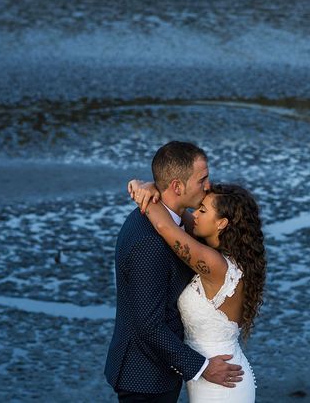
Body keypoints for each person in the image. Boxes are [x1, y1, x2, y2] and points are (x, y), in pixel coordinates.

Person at [105, 141, 245, 402]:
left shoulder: (172, 225)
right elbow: (149, 325)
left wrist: (146, 186)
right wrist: (201, 367)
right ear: (177, 186)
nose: (208, 185)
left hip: (160, 371)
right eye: (202, 178)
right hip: (144, 377)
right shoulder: (150, 241)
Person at [127, 174, 266, 403]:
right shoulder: (221, 255)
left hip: (222, 384)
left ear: (222, 223)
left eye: (202, 210)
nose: (195, 215)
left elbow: (164, 225)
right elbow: (177, 211)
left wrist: (142, 195)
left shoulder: (215, 264)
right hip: (213, 376)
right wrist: (150, 187)